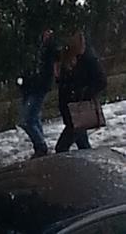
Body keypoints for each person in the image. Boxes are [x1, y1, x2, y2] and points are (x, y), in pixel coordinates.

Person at [55, 30, 107, 152]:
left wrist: (83, 93)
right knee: (83, 145)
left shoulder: (88, 59)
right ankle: (91, 166)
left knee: (61, 148)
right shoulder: (67, 59)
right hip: (71, 109)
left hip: (79, 109)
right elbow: (65, 83)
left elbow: (101, 81)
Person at [18, 29, 59, 157]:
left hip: (38, 86)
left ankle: (41, 145)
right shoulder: (35, 45)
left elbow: (51, 67)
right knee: (33, 118)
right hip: (30, 85)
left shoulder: (50, 48)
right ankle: (40, 146)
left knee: (27, 119)